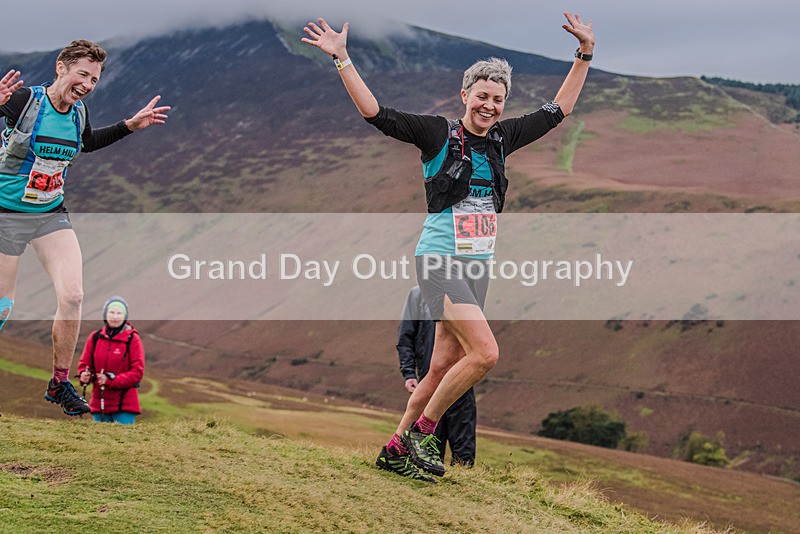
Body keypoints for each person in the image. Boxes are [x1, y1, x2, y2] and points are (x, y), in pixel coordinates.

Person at [303, 12, 594, 482]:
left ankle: (396, 449)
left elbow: (559, 110)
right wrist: (343, 60)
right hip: (439, 262)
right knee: (485, 354)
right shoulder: (438, 134)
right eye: (482, 97)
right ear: (465, 96)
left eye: (497, 100)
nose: (489, 106)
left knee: (441, 367)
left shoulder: (503, 139)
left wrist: (585, 54)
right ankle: (423, 431)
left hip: (477, 269)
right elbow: (377, 114)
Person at [0, 40, 168, 416]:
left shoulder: (78, 113)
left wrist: (129, 125)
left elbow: (87, 143)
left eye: (94, 79)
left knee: (73, 295)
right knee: (2, 307)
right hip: (5, 215)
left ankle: (59, 383)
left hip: (49, 214)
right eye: (82, 74)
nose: (88, 84)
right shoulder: (24, 100)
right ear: (61, 67)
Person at [398, 286, 477, 467]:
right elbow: (406, 336)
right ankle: (425, 483)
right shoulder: (418, 295)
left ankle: (464, 490)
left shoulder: (466, 292)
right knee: (429, 447)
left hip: (462, 386)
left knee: (464, 454)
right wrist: (409, 372)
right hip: (431, 385)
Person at [77, 296, 144, 424]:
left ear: (125, 316)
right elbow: (85, 363)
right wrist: (83, 375)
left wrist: (111, 380)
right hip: (98, 402)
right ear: (105, 314)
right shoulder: (95, 337)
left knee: (123, 442)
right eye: (111, 312)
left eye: (119, 313)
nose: (115, 317)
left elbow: (137, 373)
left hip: (124, 405)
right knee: (99, 441)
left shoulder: (133, 339)